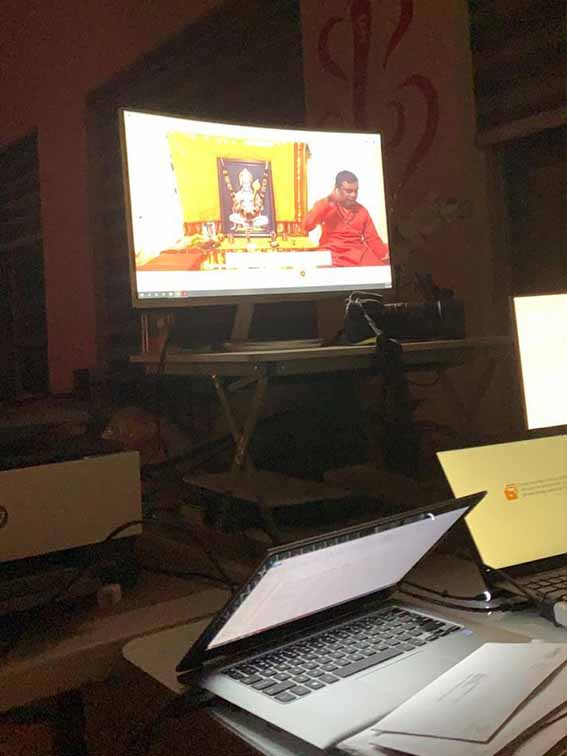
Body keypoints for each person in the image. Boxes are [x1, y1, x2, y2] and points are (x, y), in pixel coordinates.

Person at [304, 170, 389, 267]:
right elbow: (307, 226)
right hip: (331, 253)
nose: (353, 195)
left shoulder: (362, 211)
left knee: (380, 269)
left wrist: (384, 254)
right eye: (349, 191)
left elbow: (372, 239)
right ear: (337, 189)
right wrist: (328, 200)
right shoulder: (326, 205)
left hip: (357, 254)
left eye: (356, 191)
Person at [229, 167, 269, 232]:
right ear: (241, 183)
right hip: (242, 217)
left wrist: (256, 208)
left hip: (254, 218)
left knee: (265, 219)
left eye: (247, 183)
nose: (246, 185)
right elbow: (235, 210)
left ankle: (251, 225)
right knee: (232, 217)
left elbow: (260, 209)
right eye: (244, 183)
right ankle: (245, 225)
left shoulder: (255, 194)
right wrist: (239, 207)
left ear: (250, 183)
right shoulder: (239, 194)